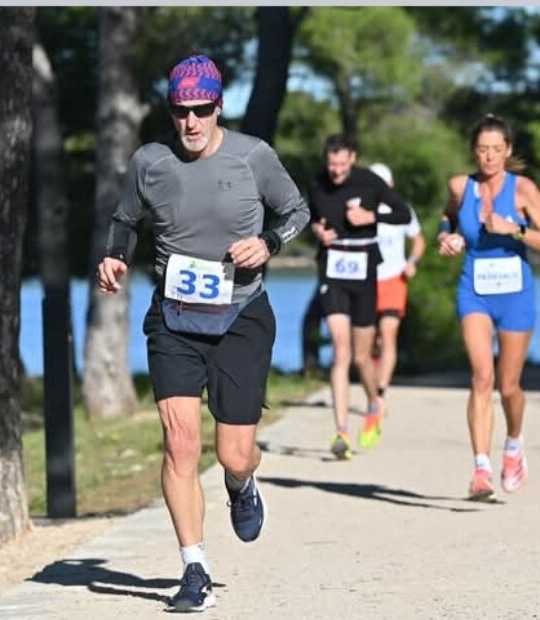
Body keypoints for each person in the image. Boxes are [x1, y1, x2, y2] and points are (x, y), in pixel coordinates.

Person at [96, 54, 309, 613]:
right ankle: (194, 568)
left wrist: (267, 244)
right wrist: (116, 258)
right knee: (180, 442)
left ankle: (242, 484)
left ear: (218, 107)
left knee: (234, 453)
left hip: (241, 315)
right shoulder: (150, 162)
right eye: (180, 111)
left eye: (201, 110)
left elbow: (295, 211)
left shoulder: (252, 157)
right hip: (174, 318)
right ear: (170, 111)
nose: (191, 122)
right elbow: (124, 221)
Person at [437, 114, 540, 501]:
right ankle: (481, 469)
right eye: (482, 150)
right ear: (474, 152)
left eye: (496, 150)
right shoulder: (461, 186)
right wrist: (447, 238)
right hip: (474, 289)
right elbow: (448, 217)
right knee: (481, 377)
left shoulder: (523, 190)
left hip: (515, 294)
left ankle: (513, 444)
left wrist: (515, 229)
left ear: (507, 151)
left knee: (508, 386)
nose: (489, 157)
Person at [309, 135, 411, 459]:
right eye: (331, 165)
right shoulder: (317, 183)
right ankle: (341, 433)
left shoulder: (371, 182)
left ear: (352, 158)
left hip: (365, 268)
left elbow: (403, 214)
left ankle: (373, 402)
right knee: (341, 351)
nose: (336, 171)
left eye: (341, 165)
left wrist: (371, 218)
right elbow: (311, 217)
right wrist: (317, 231)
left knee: (361, 357)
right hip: (333, 268)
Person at [368, 162, 425, 400]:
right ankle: (372, 388)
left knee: (388, 334)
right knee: (370, 340)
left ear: (390, 185)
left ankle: (380, 392)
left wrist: (412, 261)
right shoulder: (359, 211)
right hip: (367, 281)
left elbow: (419, 240)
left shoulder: (403, 210)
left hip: (394, 278)